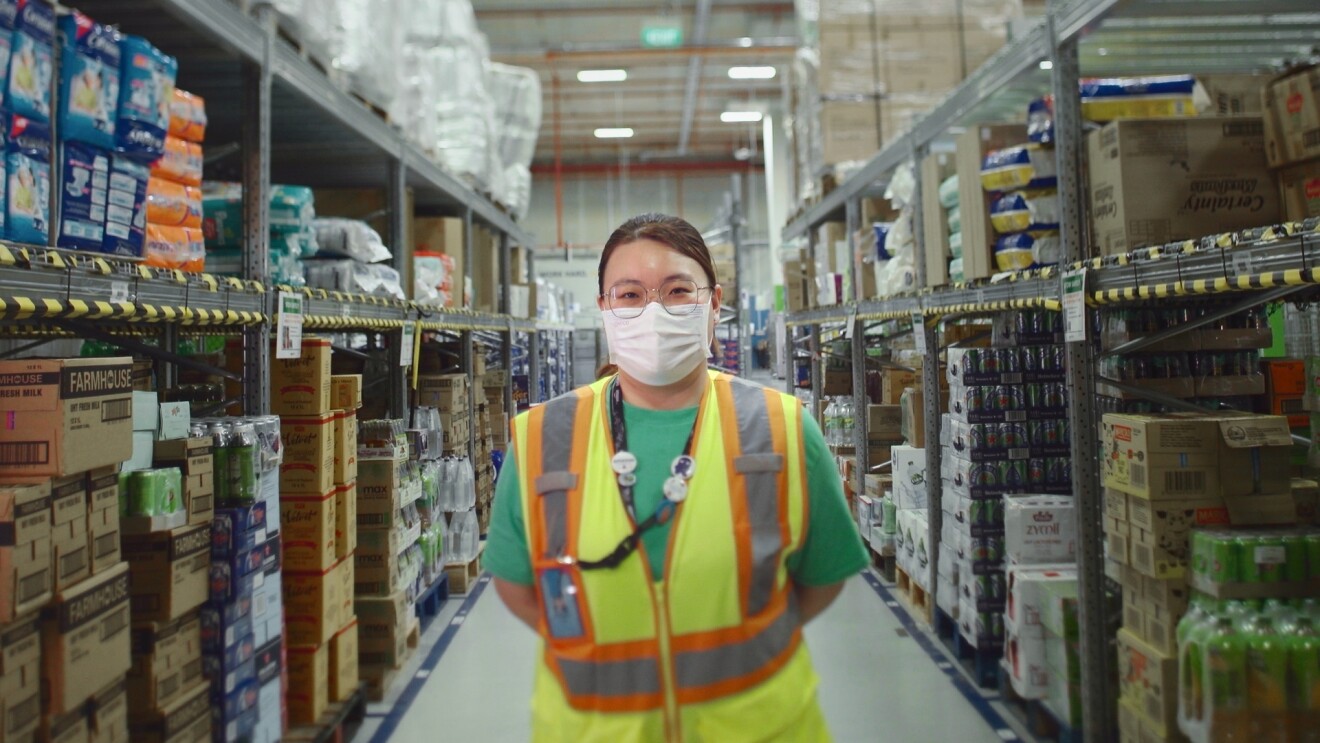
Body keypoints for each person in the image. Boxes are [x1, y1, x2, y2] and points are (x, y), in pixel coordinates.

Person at [486, 213, 868, 742]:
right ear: (605, 311)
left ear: (714, 305)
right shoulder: (541, 437)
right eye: (629, 295)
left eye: (678, 291)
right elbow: (517, 583)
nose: (654, 312)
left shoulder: (781, 428)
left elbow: (822, 578)